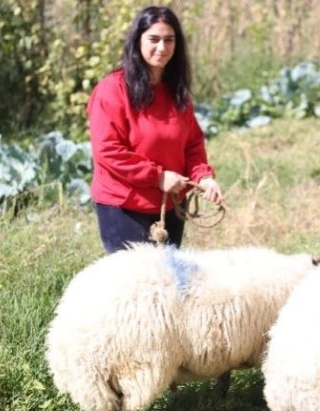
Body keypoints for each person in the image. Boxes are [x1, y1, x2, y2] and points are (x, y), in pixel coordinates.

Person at [87, 6, 223, 254]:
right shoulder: (112, 90)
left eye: (169, 40)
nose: (162, 48)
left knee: (168, 282)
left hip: (170, 203)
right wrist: (158, 177)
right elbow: (108, 151)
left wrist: (204, 176)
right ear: (137, 40)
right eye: (154, 39)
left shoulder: (176, 92)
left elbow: (192, 143)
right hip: (124, 205)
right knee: (134, 285)